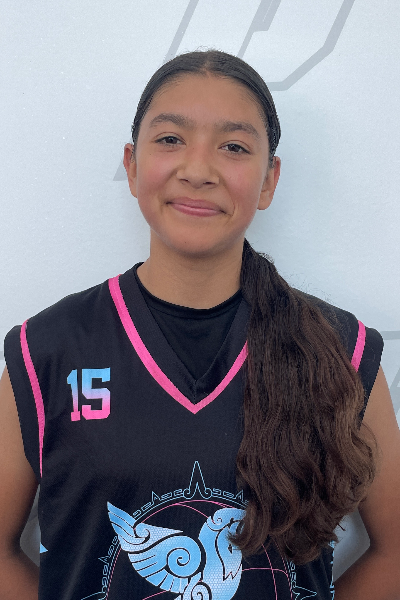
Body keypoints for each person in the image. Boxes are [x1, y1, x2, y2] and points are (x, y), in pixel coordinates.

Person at [0, 49, 399, 600]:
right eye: (170, 139)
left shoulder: (340, 352)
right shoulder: (47, 350)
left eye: (233, 146)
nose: (198, 169)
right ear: (132, 165)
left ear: (269, 179)